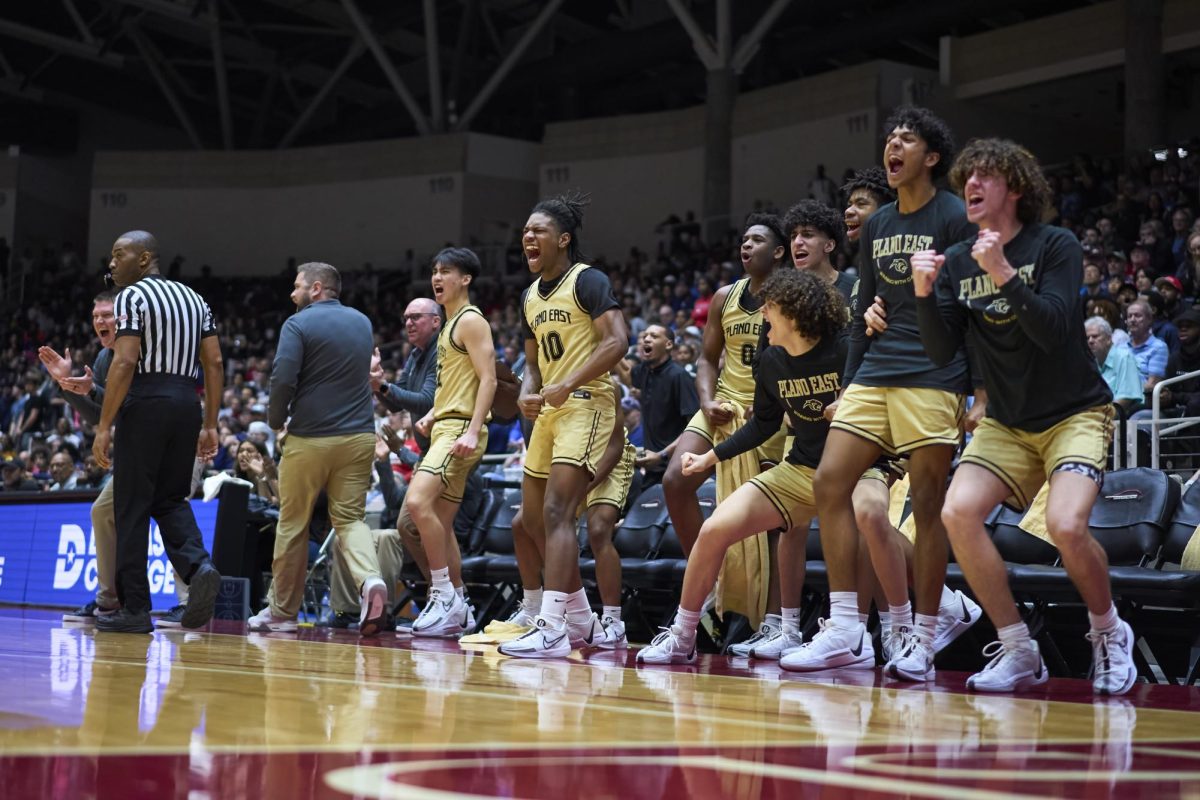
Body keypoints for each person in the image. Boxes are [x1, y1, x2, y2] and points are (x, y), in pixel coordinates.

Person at [914, 137, 1133, 695]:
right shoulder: (961, 260)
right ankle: (1017, 647)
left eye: (984, 175)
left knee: (1065, 525)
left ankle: (1109, 632)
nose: (970, 185)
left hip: (1074, 414)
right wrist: (922, 295)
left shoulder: (1054, 245)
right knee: (957, 513)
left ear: (1014, 187)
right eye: (966, 177)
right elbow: (943, 355)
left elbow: (1057, 331)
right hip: (1007, 424)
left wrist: (1006, 273)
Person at [793, 106, 975, 680]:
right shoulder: (878, 225)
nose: (892, 147)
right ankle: (847, 627)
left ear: (933, 156)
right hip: (876, 370)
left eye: (907, 140)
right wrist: (847, 385)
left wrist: (978, 389)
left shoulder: (954, 215)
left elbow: (972, 306)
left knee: (925, 506)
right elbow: (861, 314)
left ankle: (923, 633)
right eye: (889, 139)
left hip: (934, 372)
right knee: (829, 481)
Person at [637, 269, 846, 664]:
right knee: (715, 529)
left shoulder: (844, 349)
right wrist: (708, 457)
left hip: (853, 471)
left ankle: (911, 617)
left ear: (794, 311)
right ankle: (683, 634)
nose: (762, 314)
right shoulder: (770, 362)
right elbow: (762, 426)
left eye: (770, 307)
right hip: (800, 470)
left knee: (877, 533)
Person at [497, 192, 628, 659]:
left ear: (564, 239)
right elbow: (533, 363)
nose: (528, 237)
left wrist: (568, 383)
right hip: (550, 409)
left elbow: (618, 342)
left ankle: (550, 625)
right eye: (525, 231)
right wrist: (530, 391)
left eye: (538, 231)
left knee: (558, 512)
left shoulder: (587, 281)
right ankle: (579, 619)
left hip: (588, 403)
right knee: (531, 519)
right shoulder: (530, 295)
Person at [248, 262, 389, 637]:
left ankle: (282, 612)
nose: (292, 294)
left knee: (293, 522)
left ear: (315, 288)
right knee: (350, 519)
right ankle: (370, 580)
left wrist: (276, 419)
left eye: (296, 287)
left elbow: (283, 377)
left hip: (310, 437)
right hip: (360, 435)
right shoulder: (362, 322)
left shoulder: (297, 324)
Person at [91, 231, 222, 634]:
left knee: (131, 507)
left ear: (144, 258)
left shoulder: (132, 296)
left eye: (119, 255)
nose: (111, 263)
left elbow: (126, 361)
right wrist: (211, 422)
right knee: (170, 499)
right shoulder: (195, 299)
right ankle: (199, 567)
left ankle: (135, 610)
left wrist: (104, 425)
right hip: (187, 402)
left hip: (146, 400)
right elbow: (214, 362)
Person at [662, 215, 788, 558]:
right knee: (675, 481)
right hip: (724, 404)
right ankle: (704, 573)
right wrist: (705, 400)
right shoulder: (723, 297)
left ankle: (773, 608)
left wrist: (773, 403)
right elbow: (706, 359)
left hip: (770, 413)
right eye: (744, 239)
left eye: (757, 240)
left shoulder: (793, 296)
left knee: (771, 517)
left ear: (778, 252)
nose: (746, 245)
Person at [406, 248, 497, 638]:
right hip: (447, 424)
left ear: (466, 279)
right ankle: (458, 605)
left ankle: (443, 595)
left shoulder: (472, 321)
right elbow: (457, 384)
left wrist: (473, 430)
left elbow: (489, 379)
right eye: (434, 272)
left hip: (461, 431)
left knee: (415, 504)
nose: (437, 278)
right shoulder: (448, 325)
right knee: (440, 522)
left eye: (446, 271)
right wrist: (433, 412)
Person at [629, 324, 699, 487]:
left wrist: (662, 455)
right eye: (645, 335)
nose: (646, 339)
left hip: (676, 466)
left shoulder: (679, 376)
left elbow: (694, 428)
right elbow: (628, 375)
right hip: (652, 466)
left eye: (653, 336)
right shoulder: (645, 370)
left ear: (668, 345)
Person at [1086, 317, 1143, 411]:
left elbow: (1125, 399)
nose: (1090, 341)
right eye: (1087, 338)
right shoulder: (1091, 363)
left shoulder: (1124, 357)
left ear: (1108, 339)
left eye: (1095, 336)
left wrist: (1100, 418)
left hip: (1125, 418)